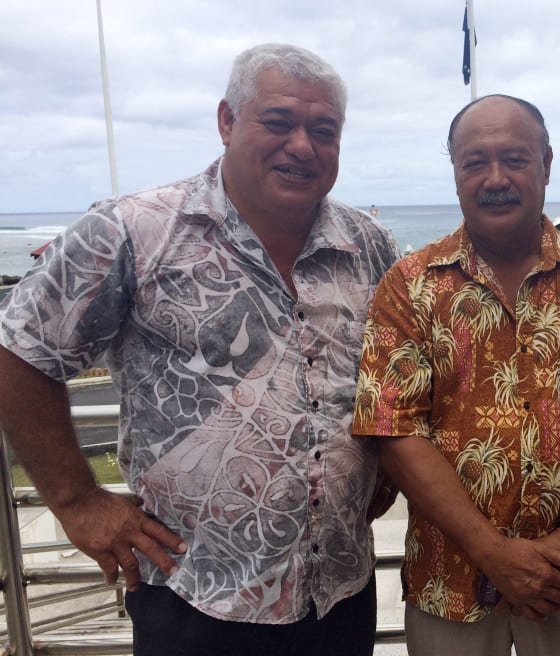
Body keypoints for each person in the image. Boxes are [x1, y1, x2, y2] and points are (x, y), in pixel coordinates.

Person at [0, 43, 400, 656]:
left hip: (339, 589)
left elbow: (390, 368)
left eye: (324, 130)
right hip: (197, 596)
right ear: (226, 121)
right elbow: (19, 349)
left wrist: (385, 469)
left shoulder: (368, 244)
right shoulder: (133, 231)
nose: (302, 145)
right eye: (278, 121)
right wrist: (77, 500)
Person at [351, 94, 560, 656]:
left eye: (514, 159)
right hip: (451, 582)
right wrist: (490, 551)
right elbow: (392, 428)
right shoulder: (409, 284)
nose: (495, 179)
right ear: (455, 172)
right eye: (474, 162)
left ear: (546, 163)